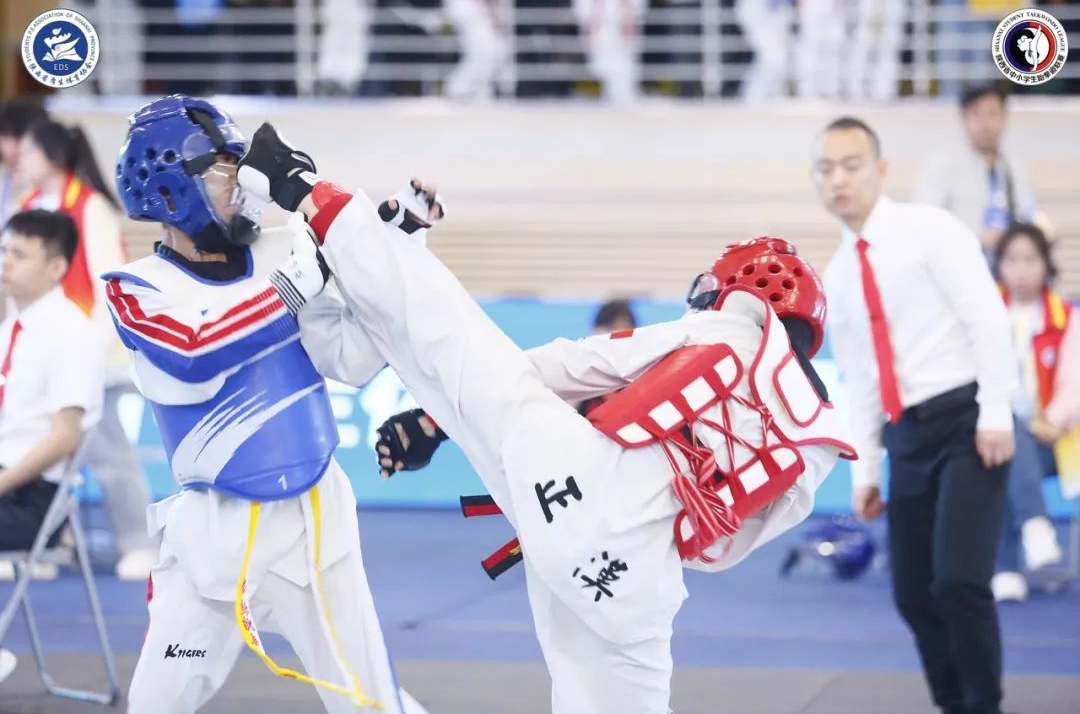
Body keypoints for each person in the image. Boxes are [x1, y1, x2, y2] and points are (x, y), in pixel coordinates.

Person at [235, 123, 856, 714]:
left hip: (572, 485)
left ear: (748, 288)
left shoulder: (732, 327)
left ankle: (297, 183)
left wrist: (441, 420)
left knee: (447, 335)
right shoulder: (821, 445)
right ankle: (384, 246)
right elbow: (717, 550)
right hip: (634, 587)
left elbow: (576, 365)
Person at [102, 95, 426, 714]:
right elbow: (195, 350)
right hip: (208, 538)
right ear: (173, 187)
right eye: (224, 169)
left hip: (312, 523)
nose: (243, 184)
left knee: (370, 702)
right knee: (155, 703)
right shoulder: (136, 288)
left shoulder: (283, 253)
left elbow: (351, 361)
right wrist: (306, 276)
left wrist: (398, 252)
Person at [817, 116, 1017, 714]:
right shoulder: (838, 275)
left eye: (851, 165)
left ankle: (984, 706)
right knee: (911, 593)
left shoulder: (931, 230)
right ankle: (953, 703)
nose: (838, 180)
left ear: (880, 170)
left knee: (959, 581)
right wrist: (866, 474)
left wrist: (997, 411)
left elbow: (987, 317)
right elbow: (861, 382)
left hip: (968, 422)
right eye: (825, 169)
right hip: (905, 437)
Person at [17, 117, 159, 580]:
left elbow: (108, 285)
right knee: (39, 451)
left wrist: (88, 353)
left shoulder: (90, 207)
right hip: (41, 355)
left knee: (108, 454)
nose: (19, 158)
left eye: (29, 151)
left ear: (53, 156)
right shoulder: (30, 206)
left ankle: (139, 542)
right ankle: (40, 542)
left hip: (94, 356)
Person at [0, 209, 106, 685]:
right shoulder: (11, 330)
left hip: (31, 496)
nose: (4, 262)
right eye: (4, 250)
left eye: (18, 254)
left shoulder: (71, 333)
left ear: (57, 267)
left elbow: (64, 437)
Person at [992, 222, 1078, 602]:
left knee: (1007, 451)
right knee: (1003, 437)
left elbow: (1075, 383)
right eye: (1012, 260)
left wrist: (1054, 419)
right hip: (995, 433)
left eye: (1030, 259)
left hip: (1053, 442)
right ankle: (1034, 525)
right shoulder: (983, 313)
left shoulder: (1068, 318)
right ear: (999, 265)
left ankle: (1007, 566)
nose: (1021, 269)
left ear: (1046, 264)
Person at [914, 86, 1039, 263]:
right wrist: (977, 238)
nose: (985, 123)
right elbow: (925, 225)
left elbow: (1029, 217)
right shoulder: (942, 168)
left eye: (992, 113)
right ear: (964, 120)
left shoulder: (1015, 168)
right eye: (976, 114)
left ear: (1005, 119)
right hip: (959, 263)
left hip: (1011, 269)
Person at [576, 298, 637, 418]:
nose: (616, 333)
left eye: (624, 328)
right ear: (593, 331)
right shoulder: (577, 379)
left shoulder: (642, 380)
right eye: (610, 327)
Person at [0, 99, 47, 228]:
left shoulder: (48, 183)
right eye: (6, 136)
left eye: (20, 137)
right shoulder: (3, 179)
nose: (15, 147)